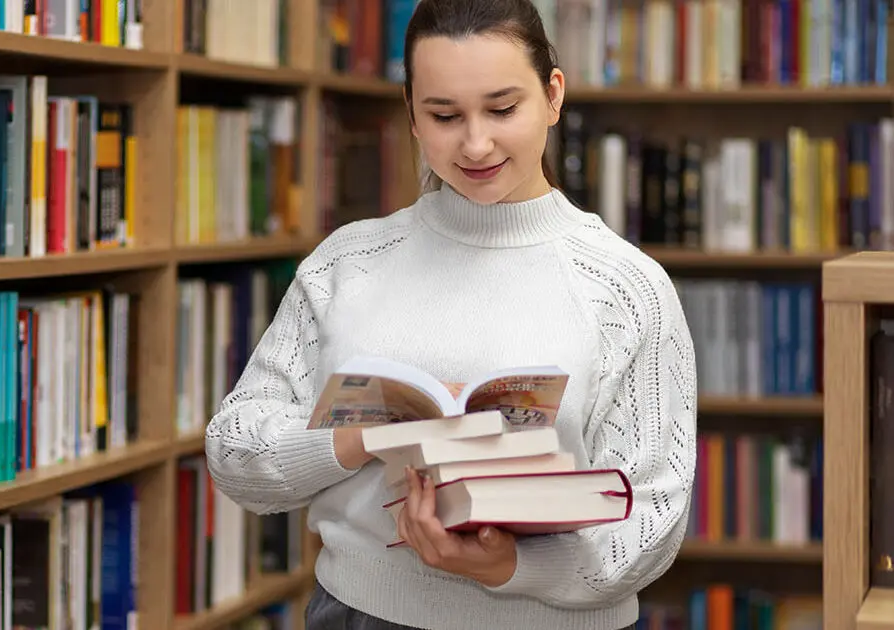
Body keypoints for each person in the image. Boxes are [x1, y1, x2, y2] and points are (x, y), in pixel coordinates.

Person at [201, 0, 698, 628]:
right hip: (358, 614)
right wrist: (361, 438)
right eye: (444, 115)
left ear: (553, 95)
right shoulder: (347, 263)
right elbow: (235, 454)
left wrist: (507, 564)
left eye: (502, 108)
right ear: (411, 112)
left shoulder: (628, 288)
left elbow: (651, 524)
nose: (476, 142)